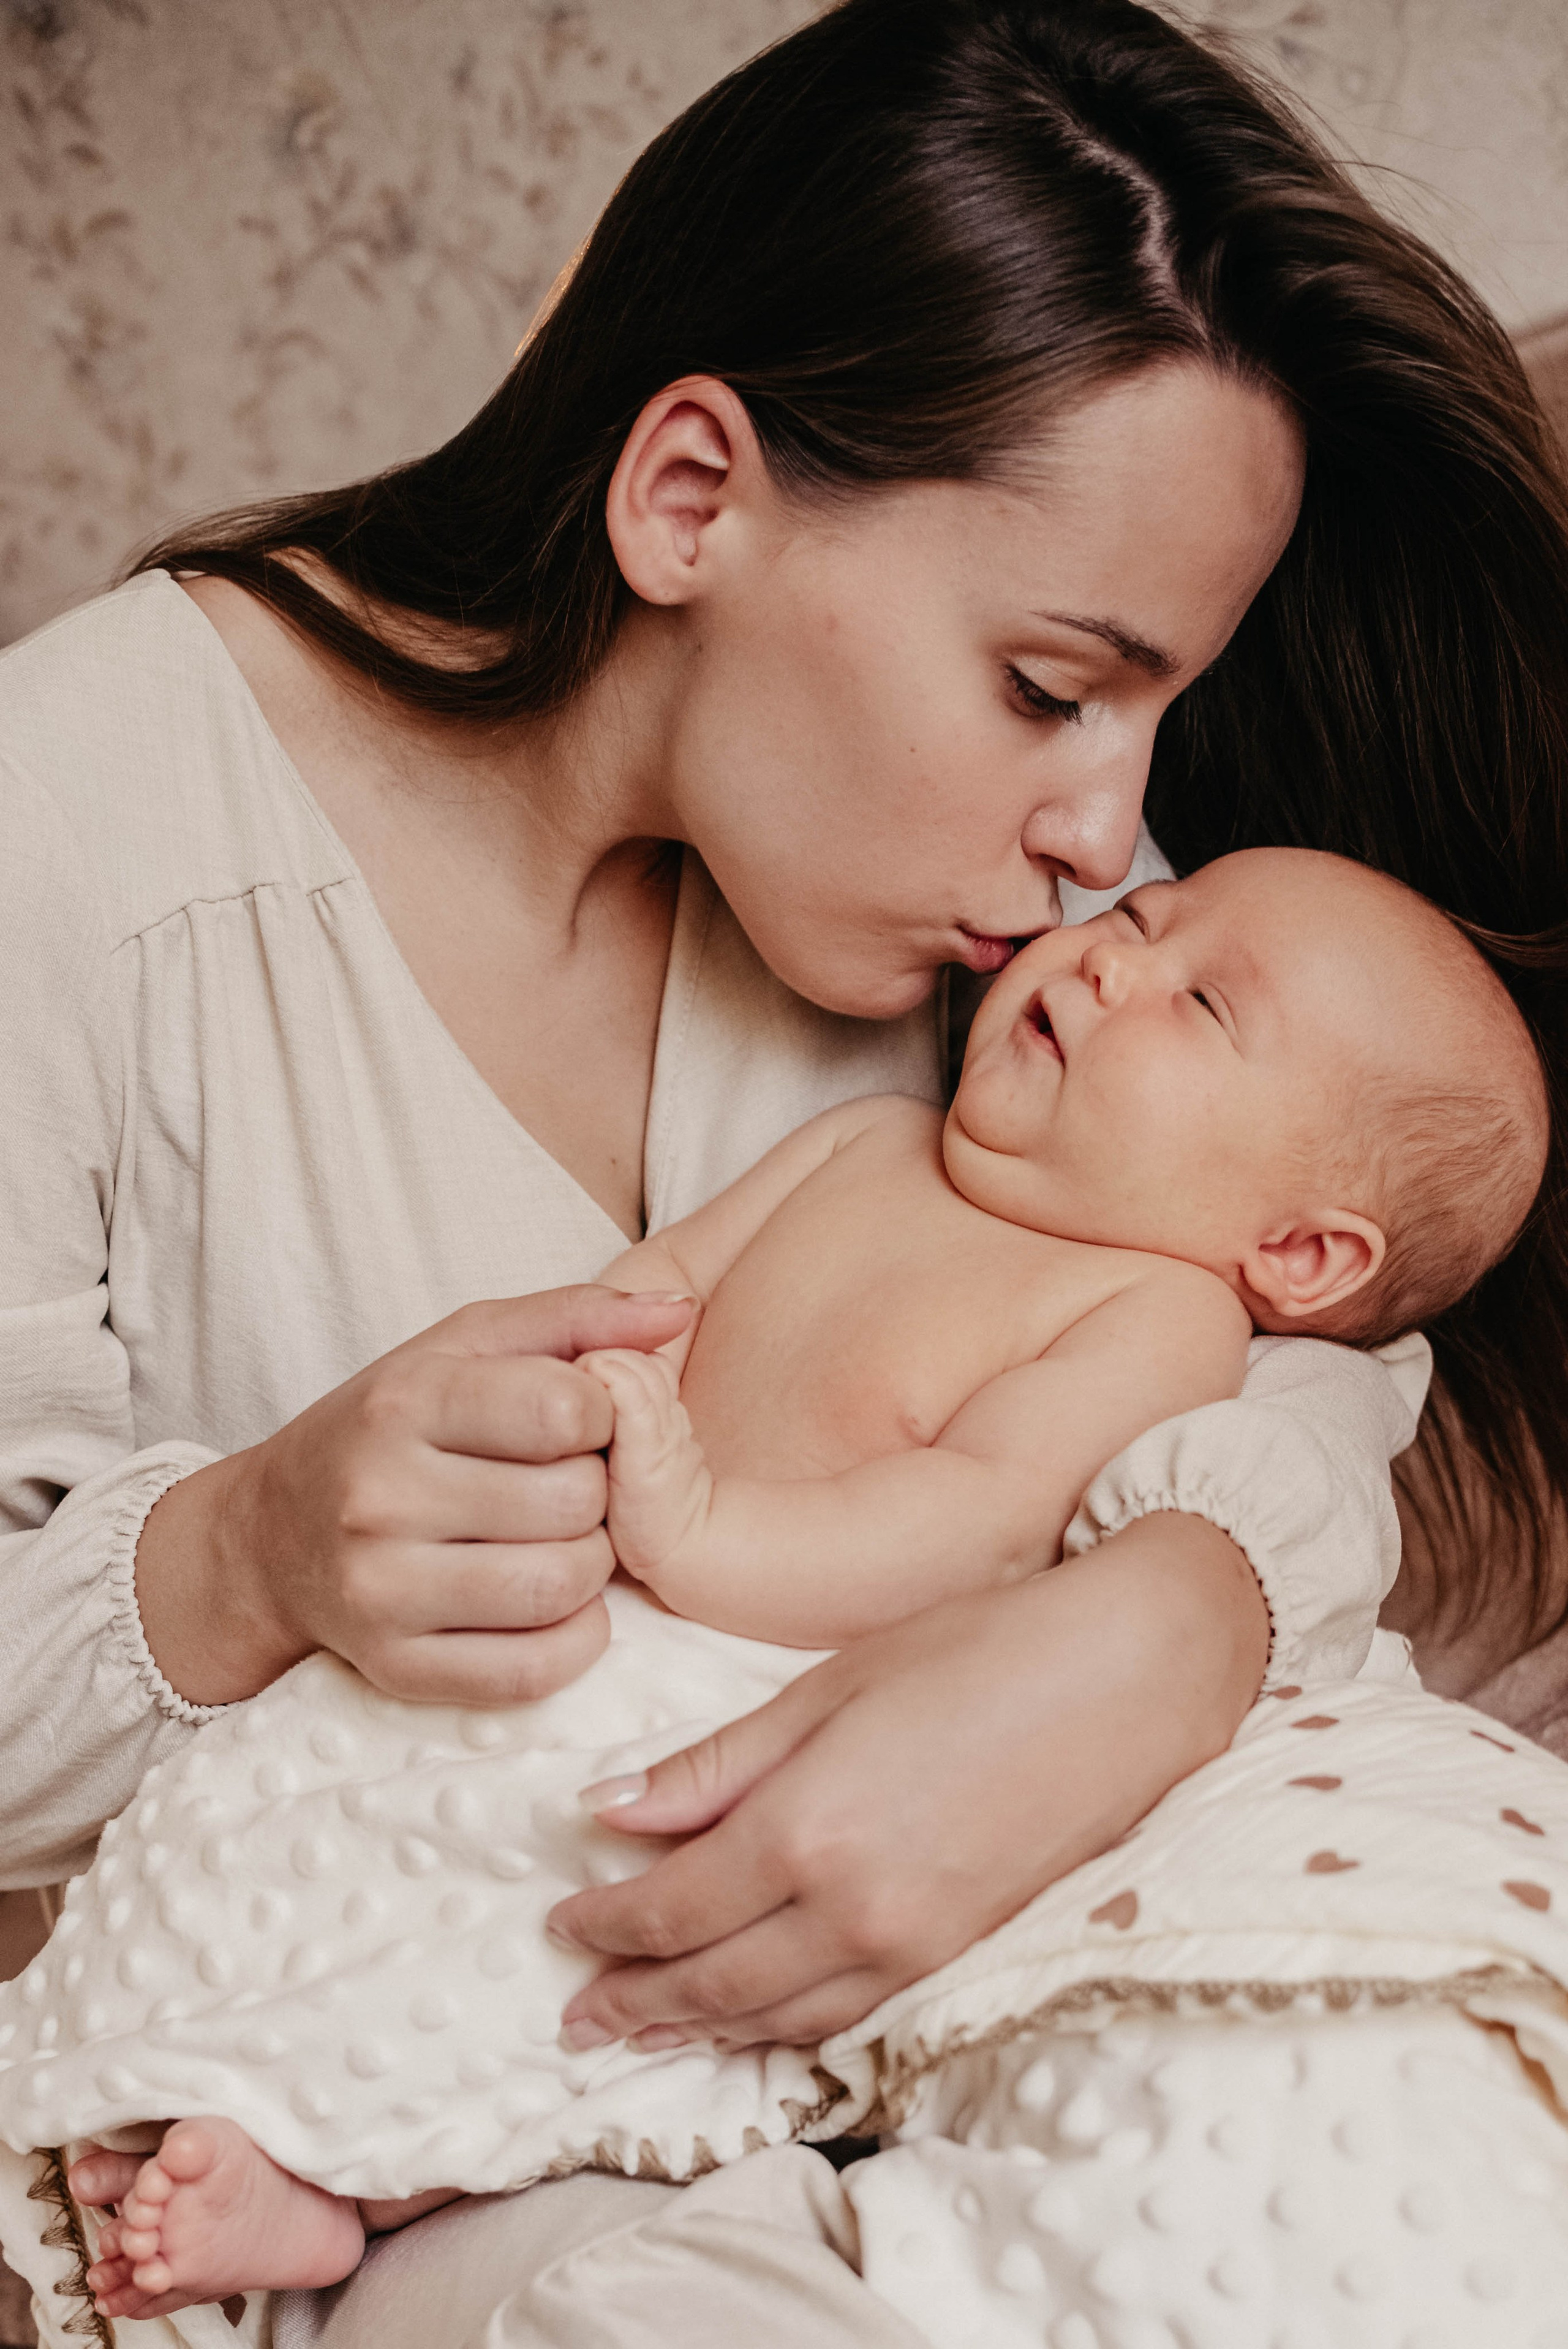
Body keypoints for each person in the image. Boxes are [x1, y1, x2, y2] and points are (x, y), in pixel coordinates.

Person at [4, 0, 1568, 2336]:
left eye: (1149, 713)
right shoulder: (76, 844)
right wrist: (250, 1543)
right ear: (692, 497)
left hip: (920, 2072)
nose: (1105, 831)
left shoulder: (1029, 931)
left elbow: (1313, 1312)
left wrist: (1166, 1622)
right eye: (1055, 689)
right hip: (359, 2110)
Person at [18, 845, 1547, 2325]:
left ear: (1292, 1249)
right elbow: (647, 1294)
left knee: (579, 1968)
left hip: (764, 1686)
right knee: (340, 1835)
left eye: (1198, 1005)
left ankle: (364, 2189)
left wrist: (700, 1530)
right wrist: (557, 1402)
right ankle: (238, 2085)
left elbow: (972, 1524)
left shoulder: (1154, 1316)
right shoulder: (864, 1144)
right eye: (1144, 918)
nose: (1106, 951)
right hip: (596, 1614)